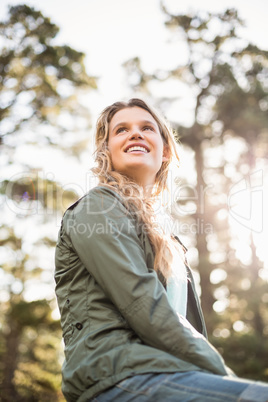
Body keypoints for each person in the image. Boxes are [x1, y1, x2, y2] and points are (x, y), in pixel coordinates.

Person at [54, 98, 268, 402]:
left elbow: (186, 326)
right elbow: (142, 304)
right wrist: (222, 375)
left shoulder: (170, 243)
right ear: (107, 150)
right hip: (119, 377)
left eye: (147, 128)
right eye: (121, 130)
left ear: (165, 150)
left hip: (172, 374)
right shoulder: (97, 207)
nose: (136, 134)